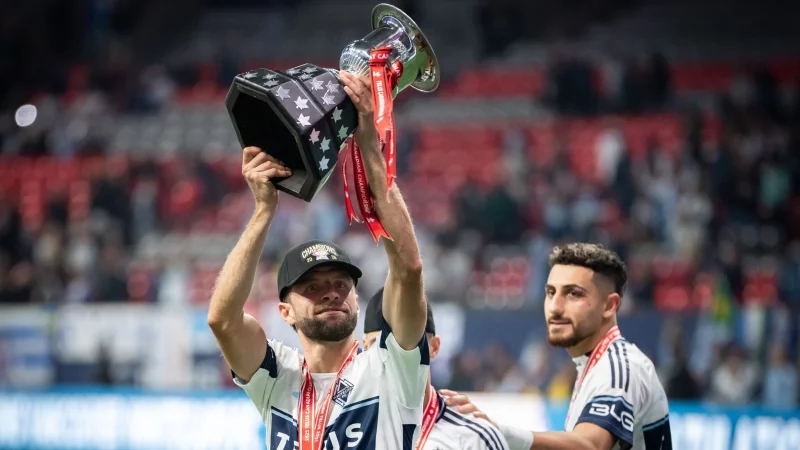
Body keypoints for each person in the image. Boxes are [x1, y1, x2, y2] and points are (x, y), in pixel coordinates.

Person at [207, 71, 429, 450]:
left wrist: (369, 146)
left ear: (358, 298)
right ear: (285, 312)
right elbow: (222, 320)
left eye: (341, 284)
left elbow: (408, 270)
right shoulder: (278, 376)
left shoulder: (391, 365)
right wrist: (263, 211)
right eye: (312, 287)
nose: (331, 294)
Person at [441, 243, 672, 450]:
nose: (555, 307)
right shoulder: (593, 365)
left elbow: (590, 446)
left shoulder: (619, 366)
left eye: (573, 294)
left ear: (609, 306)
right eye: (550, 293)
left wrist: (498, 432)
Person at [363, 287, 510, 450]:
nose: (392, 357)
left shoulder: (474, 440)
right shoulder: (341, 430)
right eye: (377, 346)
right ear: (364, 350)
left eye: (407, 344)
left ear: (434, 347)